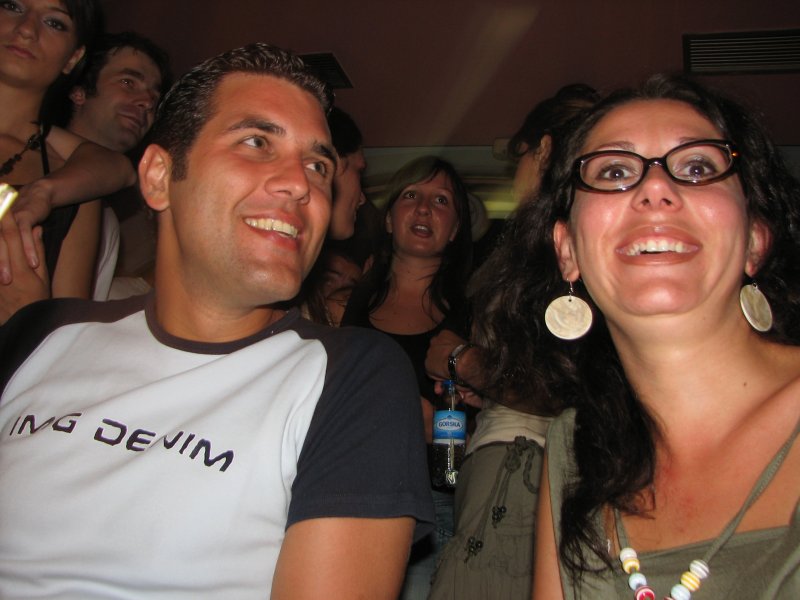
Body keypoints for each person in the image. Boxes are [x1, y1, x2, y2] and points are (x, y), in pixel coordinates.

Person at [0, 42, 433, 599]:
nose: (301, 183)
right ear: (159, 177)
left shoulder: (349, 376)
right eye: (257, 142)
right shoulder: (44, 334)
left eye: (318, 166)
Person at [490, 74, 800, 598]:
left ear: (754, 239)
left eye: (698, 167)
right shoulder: (573, 449)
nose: (655, 188)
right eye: (614, 171)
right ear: (567, 250)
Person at [427, 83, 598, 600]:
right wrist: (490, 387)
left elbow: (561, 388)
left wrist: (462, 360)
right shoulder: (563, 245)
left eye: (519, 158)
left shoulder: (561, 246)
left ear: (542, 150)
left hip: (520, 462)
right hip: (519, 461)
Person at [337, 155, 473, 599]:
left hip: (436, 503)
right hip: (350, 490)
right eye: (411, 195)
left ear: (455, 229)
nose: (424, 208)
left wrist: (446, 430)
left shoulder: (475, 314)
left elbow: (506, 421)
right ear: (389, 219)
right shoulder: (350, 303)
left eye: (441, 200)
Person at [0, 0, 136, 322]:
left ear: (73, 58)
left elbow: (66, 334)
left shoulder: (73, 184)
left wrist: (27, 314)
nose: (27, 30)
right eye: (13, 6)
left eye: (54, 23)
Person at [64, 30, 170, 300]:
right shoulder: (27, 164)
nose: (147, 102)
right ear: (79, 91)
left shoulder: (107, 219)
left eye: (154, 97)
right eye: (128, 83)